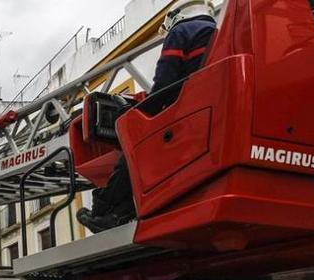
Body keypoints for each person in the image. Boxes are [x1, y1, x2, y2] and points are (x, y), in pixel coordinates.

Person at [77, 0, 217, 233]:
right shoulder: (214, 33)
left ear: (175, 16)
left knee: (135, 148)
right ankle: (122, 213)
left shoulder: (182, 32)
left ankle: (103, 209)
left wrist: (136, 115)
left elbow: (164, 85)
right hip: (202, 117)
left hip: (185, 117)